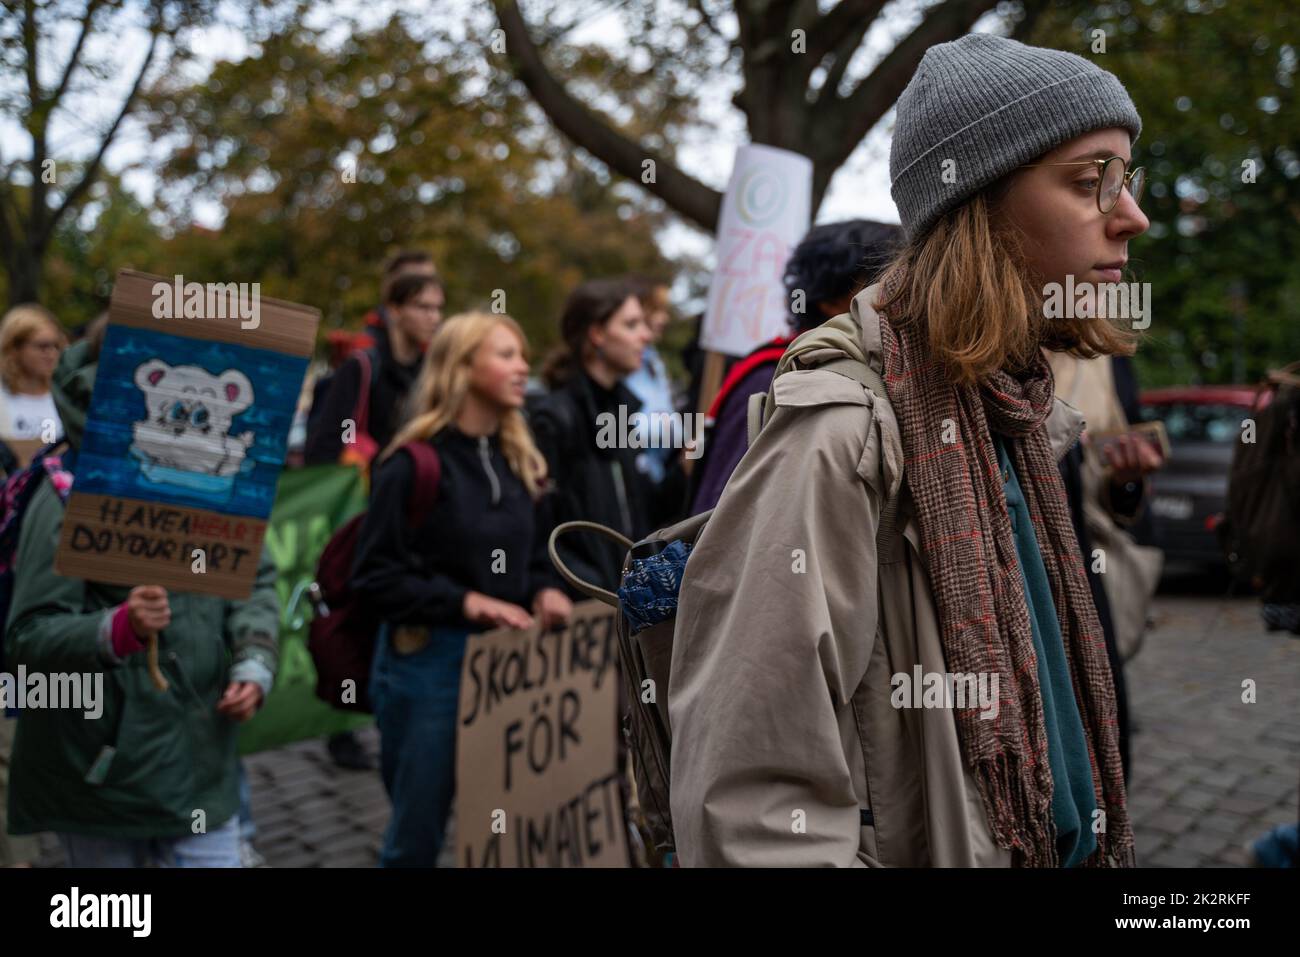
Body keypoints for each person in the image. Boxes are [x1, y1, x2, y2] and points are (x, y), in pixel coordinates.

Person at [669, 34, 1143, 867]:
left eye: (1126, 178)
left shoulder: (1019, 413)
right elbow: (750, 801)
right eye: (1087, 181)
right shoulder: (840, 433)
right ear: (980, 210)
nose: (1131, 213)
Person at [3, 335, 279, 867]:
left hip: (201, 770)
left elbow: (252, 581)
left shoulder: (223, 483)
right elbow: (27, 637)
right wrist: (118, 628)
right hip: (96, 778)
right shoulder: (66, 490)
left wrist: (255, 657)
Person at [351, 311, 573, 866]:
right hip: (430, 666)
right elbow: (374, 578)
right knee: (416, 837)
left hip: (511, 663)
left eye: (523, 356)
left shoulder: (522, 461)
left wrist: (545, 589)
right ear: (461, 367)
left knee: (509, 827)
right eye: (505, 355)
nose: (523, 367)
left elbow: (536, 554)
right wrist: (465, 601)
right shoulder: (411, 465)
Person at [690, 220, 901, 514]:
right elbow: (720, 513)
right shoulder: (772, 377)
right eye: (882, 281)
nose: (896, 296)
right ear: (831, 299)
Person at [531, 278, 682, 596]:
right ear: (597, 334)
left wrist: (683, 469)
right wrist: (555, 585)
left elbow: (643, 512)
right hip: (580, 609)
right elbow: (536, 527)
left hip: (622, 606)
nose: (645, 335)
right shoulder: (554, 419)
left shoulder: (622, 413)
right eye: (631, 324)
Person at [305, 272, 445, 468]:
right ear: (394, 310)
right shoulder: (361, 366)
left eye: (438, 308)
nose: (434, 317)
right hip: (359, 487)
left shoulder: (431, 374)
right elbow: (328, 441)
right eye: (423, 307)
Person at [622, 277, 677, 485]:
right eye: (657, 310)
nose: (664, 318)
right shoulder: (624, 364)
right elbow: (621, 430)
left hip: (656, 480)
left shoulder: (653, 360)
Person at [0, 304, 67, 459]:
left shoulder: (66, 397)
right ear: (14, 348)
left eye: (56, 346)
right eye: (43, 346)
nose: (52, 354)